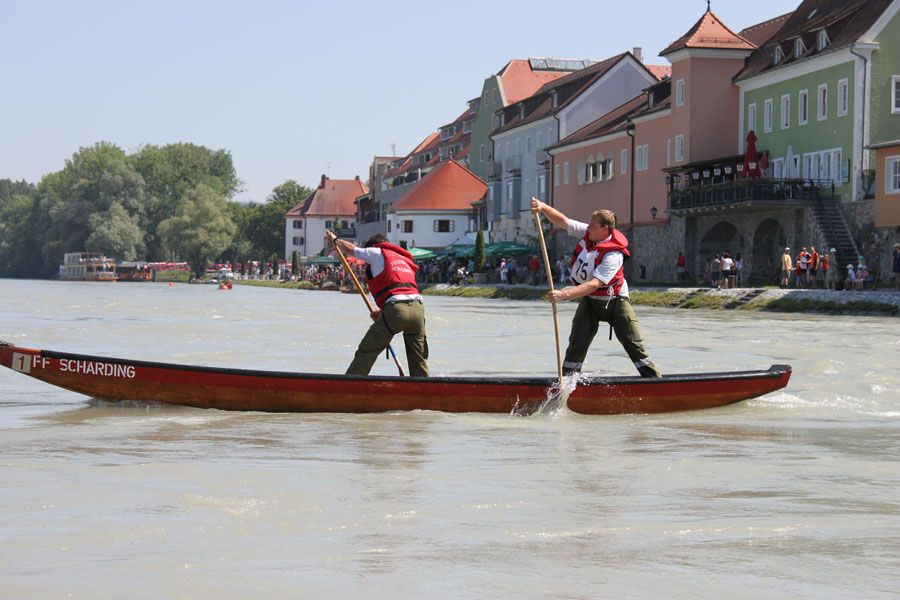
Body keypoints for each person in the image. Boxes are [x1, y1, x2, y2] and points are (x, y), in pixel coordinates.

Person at [530, 197, 660, 378]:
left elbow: (594, 284)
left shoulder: (613, 255)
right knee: (577, 342)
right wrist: (543, 207)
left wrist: (563, 294)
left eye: (592, 226)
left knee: (634, 345)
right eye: (589, 225)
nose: (587, 228)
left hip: (615, 302)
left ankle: (654, 381)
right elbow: (563, 221)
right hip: (591, 302)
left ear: (605, 229)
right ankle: (567, 383)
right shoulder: (590, 233)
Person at [328, 232, 428, 377]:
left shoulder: (376, 251)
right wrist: (383, 313)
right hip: (418, 310)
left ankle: (349, 385)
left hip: (397, 311)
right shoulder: (404, 258)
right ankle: (425, 391)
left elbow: (350, 249)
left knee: (367, 350)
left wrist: (335, 239)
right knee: (418, 358)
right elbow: (402, 289)